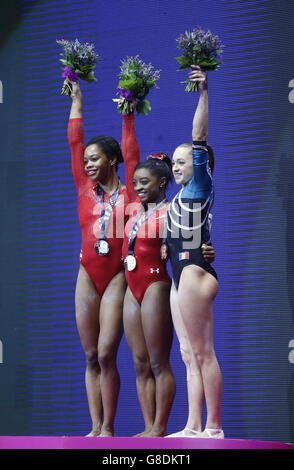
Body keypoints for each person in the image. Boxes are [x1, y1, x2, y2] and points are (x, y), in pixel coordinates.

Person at [120, 108, 215, 437]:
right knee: (164, 358)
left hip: (175, 279)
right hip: (154, 282)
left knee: (188, 356)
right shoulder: (146, 207)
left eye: (181, 162)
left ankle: (200, 427)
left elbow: (198, 226)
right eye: (135, 183)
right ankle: (171, 427)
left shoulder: (184, 196)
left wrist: (206, 247)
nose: (138, 187)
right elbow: (130, 157)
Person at [66, 80, 138, 436]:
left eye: (95, 159)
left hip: (115, 276)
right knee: (90, 355)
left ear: (111, 160)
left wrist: (128, 118)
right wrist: (76, 100)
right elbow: (74, 141)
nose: (88, 164)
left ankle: (109, 428)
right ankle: (94, 428)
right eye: (85, 162)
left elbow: (132, 153)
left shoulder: (131, 194)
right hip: (87, 273)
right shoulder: (83, 187)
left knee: (107, 352)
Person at [163, 66, 224, 439]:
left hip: (194, 271)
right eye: (174, 162)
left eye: (182, 161)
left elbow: (199, 135)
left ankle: (214, 427)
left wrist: (203, 93)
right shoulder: (179, 198)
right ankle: (192, 426)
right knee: (187, 355)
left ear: (200, 166)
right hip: (177, 272)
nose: (176, 166)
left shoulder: (200, 184)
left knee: (203, 353)